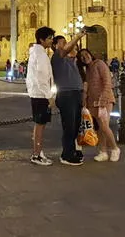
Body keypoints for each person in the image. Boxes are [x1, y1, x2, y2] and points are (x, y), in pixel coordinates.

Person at [77, 48, 121, 162]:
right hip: (92, 101)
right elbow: (87, 86)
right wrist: (85, 99)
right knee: (100, 127)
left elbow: (107, 82)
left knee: (104, 125)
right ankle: (103, 152)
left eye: (86, 54)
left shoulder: (100, 64)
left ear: (91, 54)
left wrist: (103, 99)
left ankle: (115, 148)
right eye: (82, 57)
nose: (85, 57)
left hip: (104, 101)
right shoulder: (88, 69)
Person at [51, 32, 87, 166]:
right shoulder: (56, 57)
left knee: (76, 125)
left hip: (76, 94)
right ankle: (66, 155)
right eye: (62, 42)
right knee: (69, 126)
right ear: (54, 46)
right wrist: (78, 36)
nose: (65, 44)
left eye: (66, 41)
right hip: (66, 95)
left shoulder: (70, 60)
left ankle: (72, 151)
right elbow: (65, 50)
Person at [26, 26, 56, 166]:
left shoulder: (37, 53)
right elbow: (42, 77)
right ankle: (36, 155)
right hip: (40, 95)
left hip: (37, 93)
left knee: (39, 124)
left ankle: (38, 151)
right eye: (49, 38)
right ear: (41, 39)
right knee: (40, 125)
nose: (51, 41)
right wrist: (49, 95)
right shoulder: (41, 55)